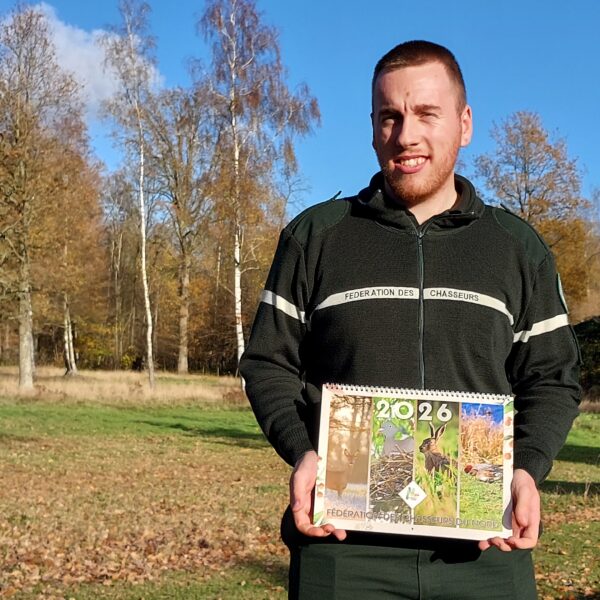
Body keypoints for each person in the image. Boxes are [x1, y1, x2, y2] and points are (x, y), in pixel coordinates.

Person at [240, 40, 580, 600]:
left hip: (484, 553)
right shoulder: (315, 237)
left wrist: (526, 468)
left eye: (426, 113)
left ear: (464, 124)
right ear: (373, 129)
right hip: (342, 549)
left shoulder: (517, 248)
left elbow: (552, 377)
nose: (406, 135)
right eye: (389, 117)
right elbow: (267, 363)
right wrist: (303, 451)